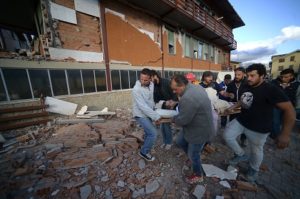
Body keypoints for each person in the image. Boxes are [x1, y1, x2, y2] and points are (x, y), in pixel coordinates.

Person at [223, 63, 295, 182]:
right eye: (247, 75)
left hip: (259, 128)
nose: (249, 78)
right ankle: (240, 154)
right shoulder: (246, 84)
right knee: (227, 135)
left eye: (252, 76)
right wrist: (232, 108)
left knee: (256, 151)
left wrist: (285, 134)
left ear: (262, 76)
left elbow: (290, 110)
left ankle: (253, 170)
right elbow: (243, 99)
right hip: (242, 120)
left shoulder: (271, 89)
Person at [171, 75, 215, 184]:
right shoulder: (195, 87)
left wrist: (173, 119)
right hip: (195, 125)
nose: (173, 92)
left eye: (175, 89)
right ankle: (192, 159)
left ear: (182, 86)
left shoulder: (188, 98)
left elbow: (182, 120)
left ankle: (198, 174)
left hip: (200, 131)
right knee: (180, 141)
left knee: (193, 154)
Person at [132, 68, 161, 161]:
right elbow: (142, 106)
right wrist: (156, 117)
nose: (143, 82)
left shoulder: (151, 84)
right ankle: (144, 152)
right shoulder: (136, 89)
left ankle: (145, 145)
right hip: (140, 114)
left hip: (148, 112)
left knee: (149, 132)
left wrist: (155, 109)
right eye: (141, 79)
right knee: (153, 133)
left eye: (146, 80)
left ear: (150, 79)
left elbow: (150, 100)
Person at [150, 70, 178, 150]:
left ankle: (168, 142)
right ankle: (165, 141)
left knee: (166, 125)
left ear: (155, 76)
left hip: (172, 107)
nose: (151, 81)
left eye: (151, 78)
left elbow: (175, 93)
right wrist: (163, 103)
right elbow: (156, 99)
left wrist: (172, 102)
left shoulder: (166, 82)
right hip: (162, 107)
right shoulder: (154, 86)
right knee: (162, 126)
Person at [271, 68, 300, 139]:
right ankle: (276, 137)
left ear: (292, 76)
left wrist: (296, 108)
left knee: (284, 123)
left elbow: (298, 97)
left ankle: (282, 135)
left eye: (286, 77)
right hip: (276, 106)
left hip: (289, 108)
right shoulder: (274, 82)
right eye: (282, 77)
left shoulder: (297, 85)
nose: (283, 78)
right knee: (275, 122)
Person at [225, 67, 248, 146]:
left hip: (244, 108)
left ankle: (243, 139)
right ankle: (231, 138)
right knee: (232, 123)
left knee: (245, 124)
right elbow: (226, 94)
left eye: (239, 75)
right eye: (235, 74)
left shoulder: (247, 83)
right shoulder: (231, 84)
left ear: (243, 74)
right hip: (233, 108)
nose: (237, 76)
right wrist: (229, 94)